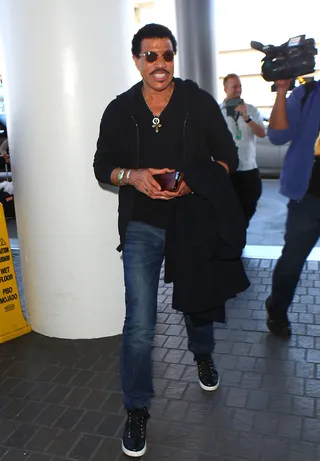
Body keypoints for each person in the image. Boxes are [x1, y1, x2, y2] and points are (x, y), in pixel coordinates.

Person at [93, 24, 249, 458]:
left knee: (196, 305)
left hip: (191, 219)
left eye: (166, 55)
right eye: (149, 56)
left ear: (173, 58)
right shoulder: (120, 110)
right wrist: (134, 176)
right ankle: (137, 409)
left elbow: (228, 159)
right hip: (142, 224)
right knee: (140, 324)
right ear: (137, 60)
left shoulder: (197, 102)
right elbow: (102, 165)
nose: (159, 64)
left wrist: (191, 183)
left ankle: (202, 353)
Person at [266, 79, 320, 338]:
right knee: (291, 263)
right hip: (307, 199)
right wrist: (281, 92)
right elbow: (276, 135)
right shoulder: (308, 93)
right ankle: (277, 310)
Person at [221, 73, 266, 224]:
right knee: (227, 210)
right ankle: (233, 241)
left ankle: (240, 233)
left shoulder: (251, 110)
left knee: (249, 206)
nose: (238, 90)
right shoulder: (217, 112)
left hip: (249, 169)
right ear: (225, 88)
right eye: (234, 86)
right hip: (227, 170)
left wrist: (247, 118)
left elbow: (261, 133)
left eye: (239, 86)